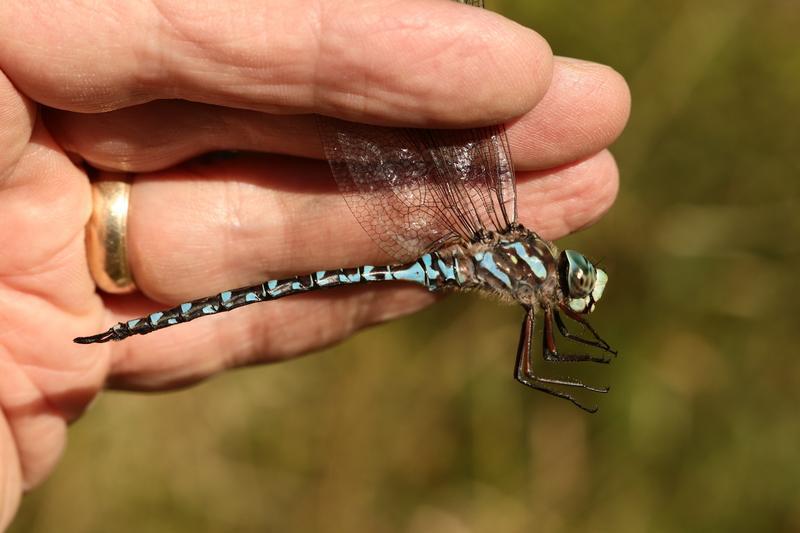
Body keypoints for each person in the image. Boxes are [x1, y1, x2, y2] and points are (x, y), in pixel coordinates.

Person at [0, 0, 630, 527]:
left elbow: (539, 360)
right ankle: (123, 322)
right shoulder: (527, 269)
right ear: (557, 273)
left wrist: (578, 363)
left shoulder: (528, 273)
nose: (574, 287)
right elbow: (534, 366)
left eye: (578, 283)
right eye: (577, 280)